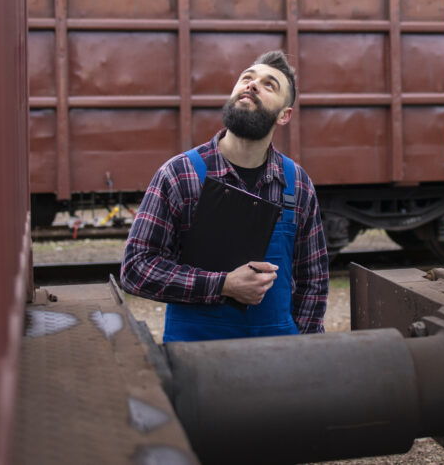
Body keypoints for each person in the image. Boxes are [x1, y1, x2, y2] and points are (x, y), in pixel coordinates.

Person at [120, 50, 328, 342]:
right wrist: (222, 285)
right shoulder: (180, 175)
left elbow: (313, 283)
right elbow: (136, 268)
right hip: (196, 360)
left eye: (270, 85)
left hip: (279, 360)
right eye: (247, 78)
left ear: (285, 115)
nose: (252, 85)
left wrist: (303, 351)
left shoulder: (297, 184)